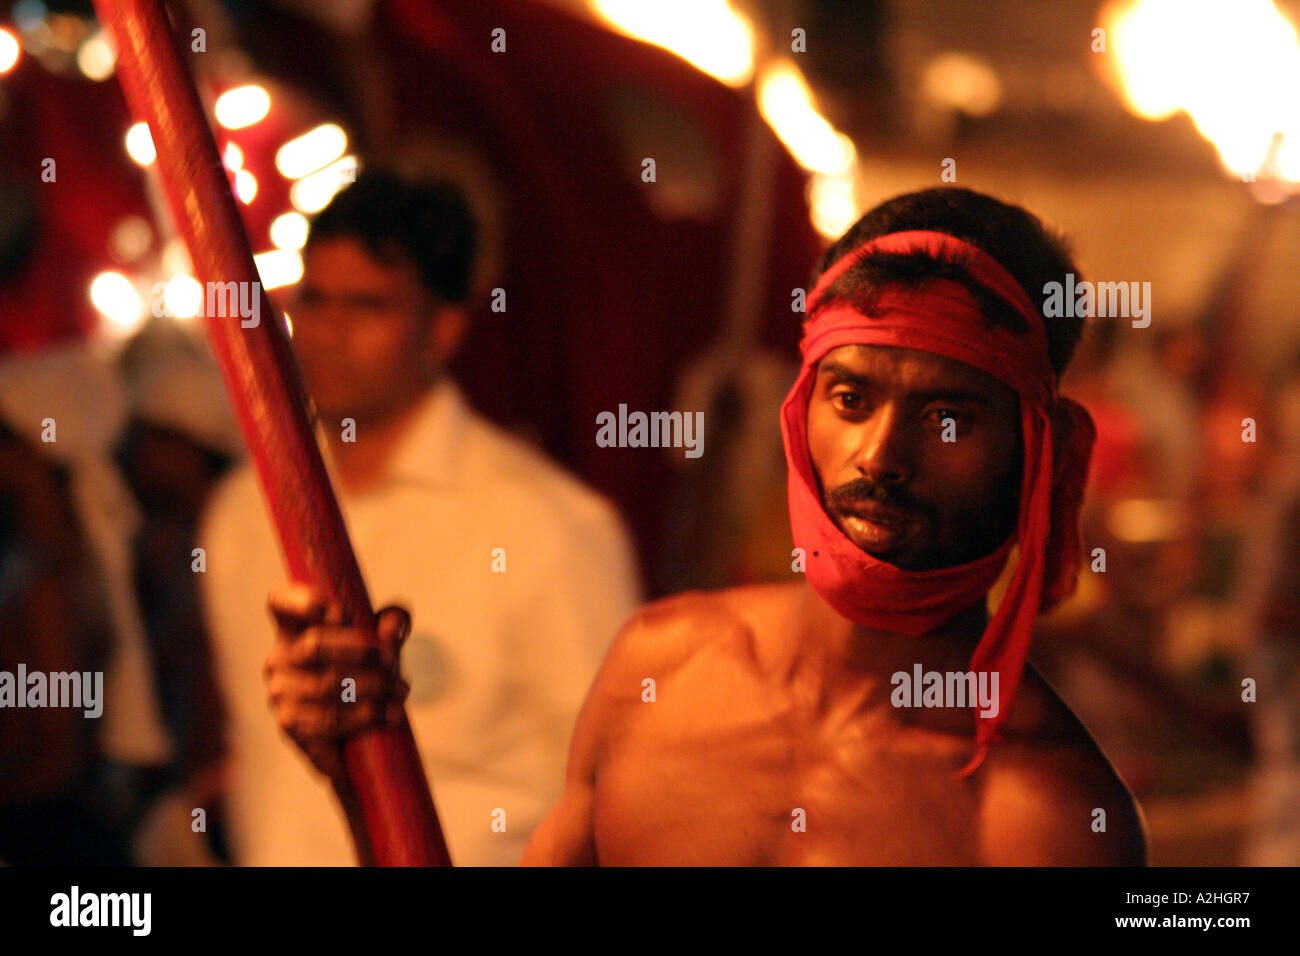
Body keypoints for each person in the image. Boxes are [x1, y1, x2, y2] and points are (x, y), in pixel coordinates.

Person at [265, 187, 1146, 865]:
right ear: (800, 407)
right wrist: (362, 775)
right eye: (851, 397)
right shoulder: (661, 666)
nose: (882, 455)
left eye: (950, 415)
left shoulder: (1047, 815)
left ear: (1043, 453)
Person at [200, 170, 642, 866]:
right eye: (313, 299)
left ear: (442, 328)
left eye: (367, 306)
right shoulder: (239, 512)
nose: (327, 331)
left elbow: (612, 786)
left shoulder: (547, 526)